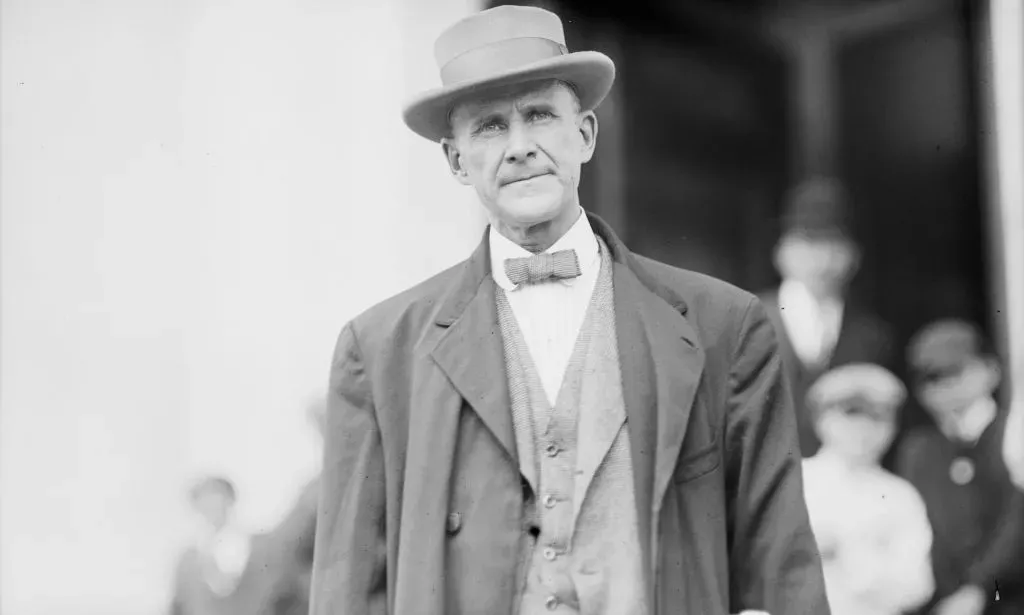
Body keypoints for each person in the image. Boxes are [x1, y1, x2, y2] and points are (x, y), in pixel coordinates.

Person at [310, 6, 828, 615]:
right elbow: (348, 588)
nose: (521, 147)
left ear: (584, 134)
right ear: (455, 161)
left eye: (539, 116)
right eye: (489, 128)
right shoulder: (379, 349)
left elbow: (778, 563)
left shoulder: (723, 325)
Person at [759, 177, 896, 460]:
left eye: (833, 244)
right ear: (781, 252)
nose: (821, 259)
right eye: (808, 242)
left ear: (854, 256)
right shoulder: (749, 319)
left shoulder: (871, 335)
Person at [897, 320, 1024, 615]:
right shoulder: (919, 450)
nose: (945, 387)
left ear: (991, 371)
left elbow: (1017, 524)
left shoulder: (1013, 434)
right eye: (931, 378)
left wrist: (979, 588)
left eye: (957, 372)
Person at [801, 363, 934, 615]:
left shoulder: (900, 496)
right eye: (851, 414)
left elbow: (918, 586)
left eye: (877, 417)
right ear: (821, 419)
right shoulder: (794, 483)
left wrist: (849, 556)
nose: (863, 429)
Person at [168, 476, 298, 615]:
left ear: (230, 500)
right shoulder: (189, 560)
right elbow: (178, 606)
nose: (211, 508)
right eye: (204, 501)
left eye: (216, 498)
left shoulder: (258, 547)